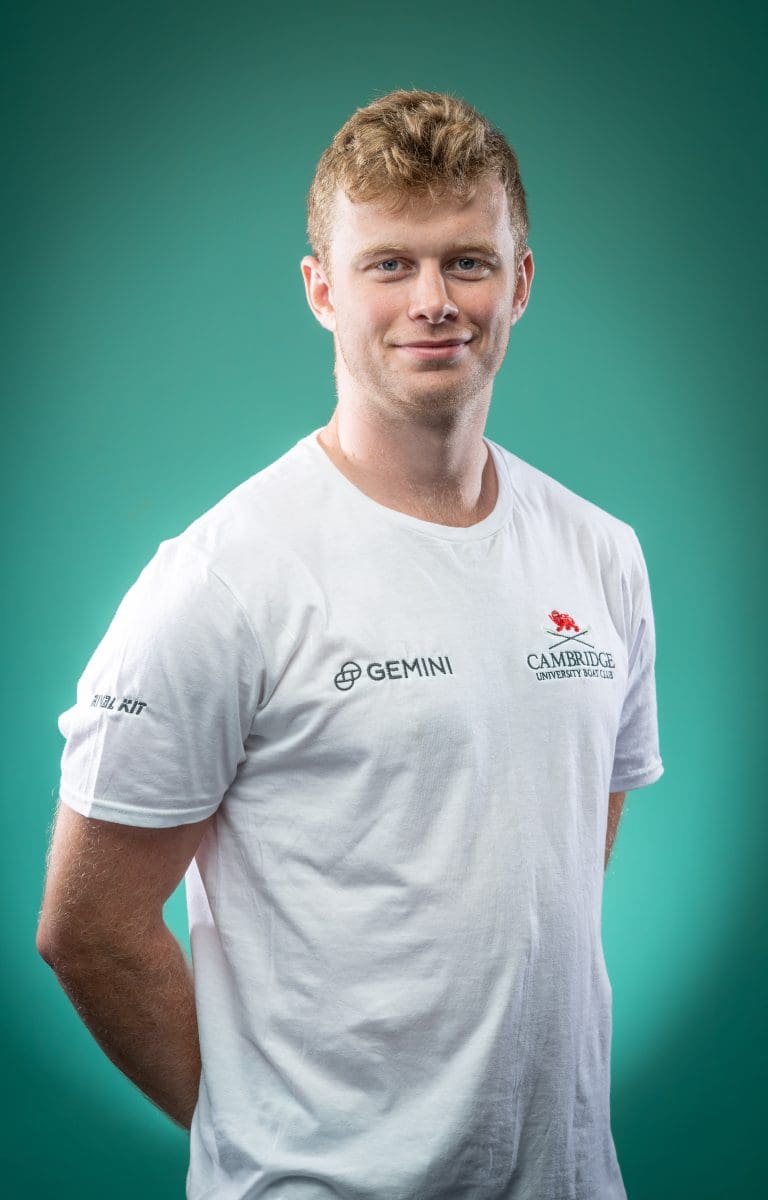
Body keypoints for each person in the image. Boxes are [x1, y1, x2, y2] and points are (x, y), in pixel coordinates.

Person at [37, 87, 664, 1200]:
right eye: (389, 264)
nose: (434, 301)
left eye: (468, 261)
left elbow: (562, 851)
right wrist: (271, 1132)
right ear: (322, 289)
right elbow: (88, 927)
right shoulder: (224, 580)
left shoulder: (601, 554)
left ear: (521, 281)